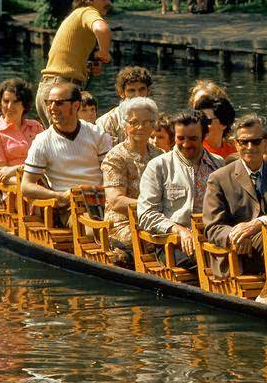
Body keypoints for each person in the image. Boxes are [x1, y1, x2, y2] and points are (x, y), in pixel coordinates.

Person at [202, 114, 267, 278]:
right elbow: (213, 227)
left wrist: (257, 224)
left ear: (266, 142)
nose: (250, 146)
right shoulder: (218, 178)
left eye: (256, 141)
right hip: (236, 255)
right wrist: (236, 235)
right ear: (236, 144)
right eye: (243, 142)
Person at [137, 111, 224, 269]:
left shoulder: (219, 165)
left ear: (204, 136)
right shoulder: (159, 166)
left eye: (193, 138)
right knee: (209, 264)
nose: (186, 144)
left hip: (214, 239)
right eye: (180, 138)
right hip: (174, 244)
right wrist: (179, 230)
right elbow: (146, 214)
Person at [21, 83, 112, 226]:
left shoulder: (97, 134)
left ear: (75, 105)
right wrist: (59, 196)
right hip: (70, 208)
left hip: (102, 200)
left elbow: (111, 175)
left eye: (58, 103)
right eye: (48, 102)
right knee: (95, 229)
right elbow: (26, 186)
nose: (51, 108)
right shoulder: (42, 141)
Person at [34, 0, 114, 126]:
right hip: (62, 91)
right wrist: (104, 52)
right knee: (67, 147)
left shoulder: (75, 17)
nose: (108, 2)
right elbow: (103, 30)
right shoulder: (87, 11)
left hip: (49, 89)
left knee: (59, 147)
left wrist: (88, 67)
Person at [101, 97, 163, 247]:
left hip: (156, 219)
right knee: (155, 241)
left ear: (153, 126)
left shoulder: (160, 155)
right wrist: (152, 207)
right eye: (134, 122)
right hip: (122, 223)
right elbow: (116, 201)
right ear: (124, 126)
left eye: (146, 122)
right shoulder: (115, 156)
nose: (140, 127)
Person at [0, 78, 44, 184]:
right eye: (6, 101)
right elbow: (2, 174)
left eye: (16, 101)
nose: (9, 106)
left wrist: (17, 168)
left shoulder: (36, 127)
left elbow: (51, 159)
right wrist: (27, 183)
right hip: (16, 191)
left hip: (44, 182)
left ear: (24, 104)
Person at [96, 66, 154, 145]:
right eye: (131, 90)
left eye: (142, 89)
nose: (137, 95)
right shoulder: (107, 122)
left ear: (148, 91)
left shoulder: (155, 119)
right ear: (121, 93)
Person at [192, 94, 237, 159]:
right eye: (198, 119)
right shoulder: (194, 151)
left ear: (224, 124)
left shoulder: (235, 149)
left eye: (206, 120)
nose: (201, 124)